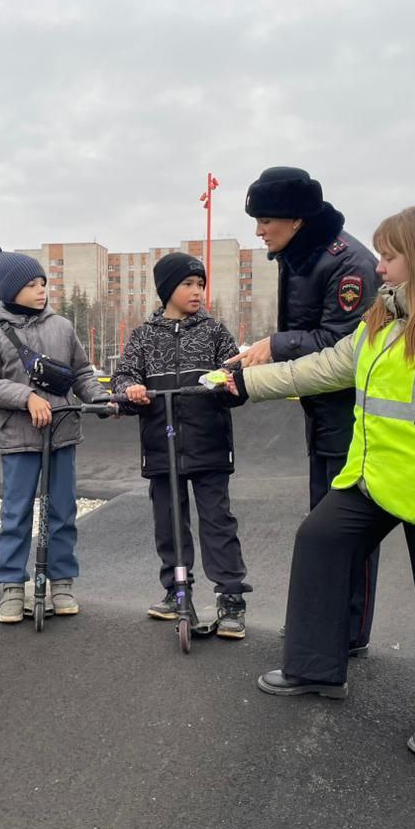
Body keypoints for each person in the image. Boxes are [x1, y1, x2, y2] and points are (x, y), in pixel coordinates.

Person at [225, 204, 415, 762]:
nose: (378, 267)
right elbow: (331, 365)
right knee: (320, 541)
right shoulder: (388, 316)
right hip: (376, 477)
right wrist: (244, 382)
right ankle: (315, 669)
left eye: (389, 256)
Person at [230, 167, 379, 654]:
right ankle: (329, 628)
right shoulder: (299, 253)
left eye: (265, 220)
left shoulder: (348, 264)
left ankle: (344, 634)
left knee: (343, 529)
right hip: (324, 414)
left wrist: (276, 346)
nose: (258, 231)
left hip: (351, 416)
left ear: (296, 220)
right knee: (326, 524)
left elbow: (342, 349)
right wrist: (269, 347)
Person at [113, 253, 252, 638]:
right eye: (188, 284)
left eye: (200, 284)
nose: (197, 292)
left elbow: (236, 381)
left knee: (217, 523)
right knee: (169, 524)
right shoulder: (143, 336)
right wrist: (131, 391)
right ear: (167, 289)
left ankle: (230, 598)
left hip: (209, 446)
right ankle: (177, 590)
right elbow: (122, 380)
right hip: (162, 448)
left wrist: (229, 384)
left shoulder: (214, 332)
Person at [0, 253, 110, 623]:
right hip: (19, 439)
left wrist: (98, 397)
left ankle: (62, 581)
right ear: (11, 290)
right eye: (31, 285)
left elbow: (81, 373)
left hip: (62, 435)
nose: (41, 290)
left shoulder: (62, 327)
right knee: (16, 514)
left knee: (63, 511)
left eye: (43, 283)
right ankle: (13, 586)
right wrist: (26, 397)